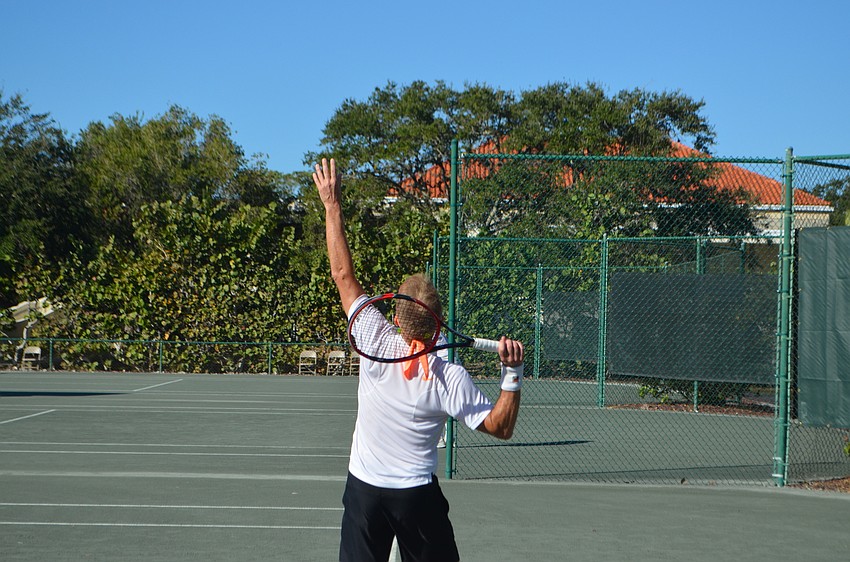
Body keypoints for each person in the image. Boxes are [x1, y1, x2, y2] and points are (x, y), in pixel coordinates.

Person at [313, 158, 524, 562]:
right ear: (438, 320)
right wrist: (511, 374)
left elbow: (342, 274)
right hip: (414, 498)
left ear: (395, 316)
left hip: (365, 493)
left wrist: (332, 204)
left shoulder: (373, 338)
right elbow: (500, 427)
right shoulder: (449, 376)